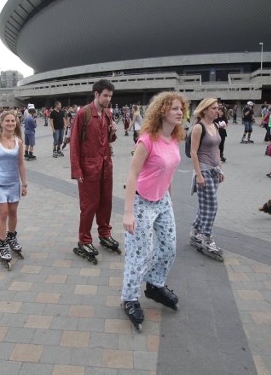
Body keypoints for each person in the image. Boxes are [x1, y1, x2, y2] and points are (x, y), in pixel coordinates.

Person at [121, 91, 186, 330]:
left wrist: (169, 198)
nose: (180, 112)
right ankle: (129, 298)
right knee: (141, 254)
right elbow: (133, 175)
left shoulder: (175, 138)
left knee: (169, 247)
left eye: (182, 109)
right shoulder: (147, 139)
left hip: (162, 201)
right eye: (175, 109)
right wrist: (128, 212)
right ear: (162, 111)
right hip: (140, 201)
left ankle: (155, 285)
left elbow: (168, 171)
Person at [70, 79, 120, 261]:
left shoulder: (107, 114)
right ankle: (84, 240)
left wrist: (113, 131)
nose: (108, 99)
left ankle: (105, 234)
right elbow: (74, 142)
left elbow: (108, 140)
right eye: (105, 95)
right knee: (89, 206)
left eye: (110, 96)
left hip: (106, 167)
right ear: (96, 94)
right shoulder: (84, 113)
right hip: (88, 168)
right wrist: (77, 171)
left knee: (106, 203)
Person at [0, 111, 27, 268]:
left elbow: (21, 163)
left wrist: (24, 184)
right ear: (1, 123)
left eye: (13, 121)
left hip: (13, 183)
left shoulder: (18, 142)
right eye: (7, 121)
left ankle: (11, 237)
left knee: (13, 213)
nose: (10, 123)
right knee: (3, 213)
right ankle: (2, 244)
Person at [189, 98, 225, 261]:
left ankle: (195, 231)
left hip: (214, 170)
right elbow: (193, 152)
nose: (217, 111)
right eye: (213, 108)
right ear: (204, 110)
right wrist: (199, 175)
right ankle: (206, 237)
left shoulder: (215, 126)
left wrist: (221, 169)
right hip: (203, 170)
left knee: (205, 205)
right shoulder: (199, 127)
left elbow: (217, 149)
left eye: (217, 108)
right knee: (212, 206)